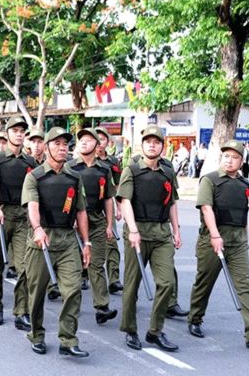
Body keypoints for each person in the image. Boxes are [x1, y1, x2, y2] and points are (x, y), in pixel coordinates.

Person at [188, 139, 249, 349]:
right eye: (226, 156)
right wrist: (215, 235)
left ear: (241, 161)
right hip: (213, 240)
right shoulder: (209, 180)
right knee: (204, 282)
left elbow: (244, 214)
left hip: (237, 242)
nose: (229, 160)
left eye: (234, 157)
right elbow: (206, 209)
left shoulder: (244, 184)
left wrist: (246, 239)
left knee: (244, 285)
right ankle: (195, 318)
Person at [22, 127, 92, 357]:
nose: (62, 148)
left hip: (68, 241)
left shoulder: (74, 177)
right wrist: (38, 228)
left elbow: (81, 212)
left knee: (73, 290)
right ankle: (36, 334)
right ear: (47, 146)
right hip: (41, 241)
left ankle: (68, 339)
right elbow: (32, 206)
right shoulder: (34, 177)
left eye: (65, 144)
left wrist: (87, 243)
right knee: (37, 292)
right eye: (57, 143)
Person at [117, 125, 182, 352]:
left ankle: (155, 331)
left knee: (167, 283)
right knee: (132, 284)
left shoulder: (168, 171)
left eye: (156, 142)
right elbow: (124, 201)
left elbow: (172, 202)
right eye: (148, 141)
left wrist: (177, 230)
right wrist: (133, 230)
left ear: (163, 147)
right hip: (138, 233)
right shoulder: (132, 170)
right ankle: (130, 329)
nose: (152, 145)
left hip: (162, 233)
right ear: (142, 145)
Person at [0, 116, 36, 330]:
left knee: (24, 267)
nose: (19, 133)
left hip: (22, 216)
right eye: (15, 130)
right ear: (7, 133)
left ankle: (21, 311)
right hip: (0, 214)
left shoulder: (29, 162)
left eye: (22, 130)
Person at [67, 128, 118, 325]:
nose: (84, 143)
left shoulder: (103, 169)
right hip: (74, 221)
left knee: (97, 263)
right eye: (81, 140)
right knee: (74, 266)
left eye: (89, 140)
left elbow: (108, 198)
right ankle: (71, 305)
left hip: (96, 220)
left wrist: (109, 224)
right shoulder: (70, 167)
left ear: (97, 145)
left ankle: (102, 307)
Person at [95, 127, 123, 295]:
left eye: (103, 139)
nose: (99, 143)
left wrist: (119, 207)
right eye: (96, 139)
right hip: (89, 207)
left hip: (108, 205)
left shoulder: (113, 162)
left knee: (111, 242)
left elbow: (117, 185)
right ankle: (85, 274)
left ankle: (114, 279)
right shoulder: (82, 162)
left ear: (108, 142)